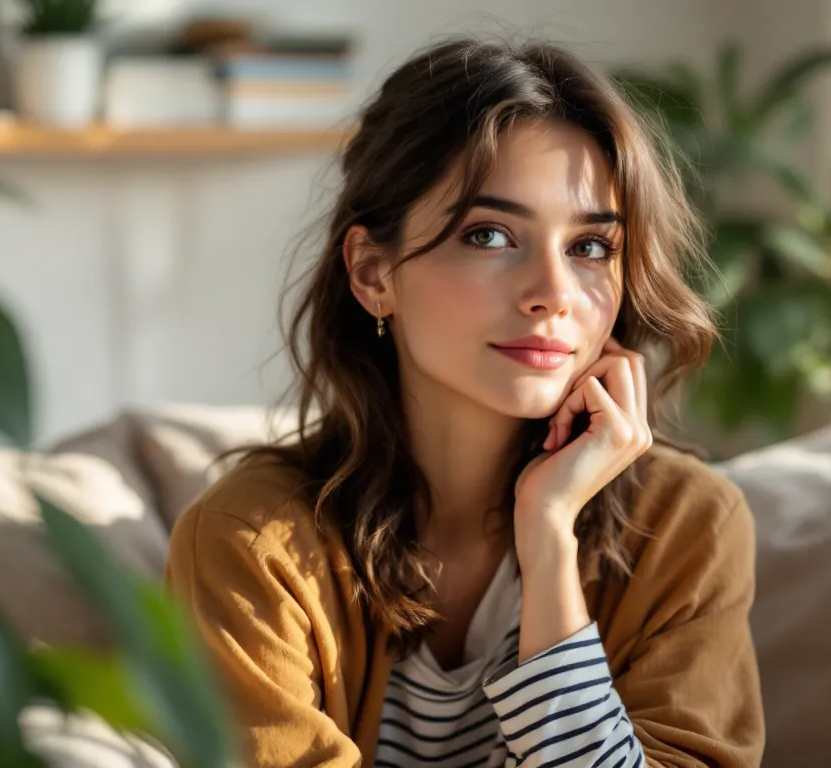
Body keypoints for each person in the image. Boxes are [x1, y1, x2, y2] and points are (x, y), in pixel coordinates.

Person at [165, 36, 764, 768]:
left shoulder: (687, 528)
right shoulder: (252, 546)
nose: (554, 293)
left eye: (590, 248)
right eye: (490, 235)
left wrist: (547, 537)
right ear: (372, 272)